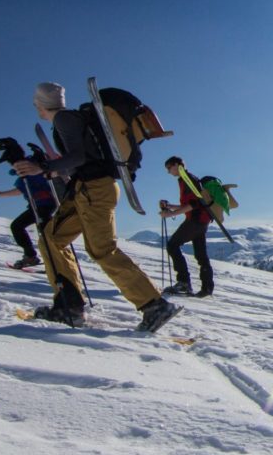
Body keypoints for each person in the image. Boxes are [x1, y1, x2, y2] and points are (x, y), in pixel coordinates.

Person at [13, 82, 178, 331]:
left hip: (94, 190)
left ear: (40, 104)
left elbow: (78, 157)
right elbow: (79, 161)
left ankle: (154, 304)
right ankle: (68, 306)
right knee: (51, 239)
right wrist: (46, 169)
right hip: (86, 190)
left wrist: (44, 168)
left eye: (36, 102)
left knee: (102, 249)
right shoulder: (71, 119)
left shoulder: (64, 119)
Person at [159, 156, 213, 297]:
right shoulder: (188, 178)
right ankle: (207, 288)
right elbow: (193, 203)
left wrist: (170, 214)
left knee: (172, 245)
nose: (169, 172)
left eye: (169, 168)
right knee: (201, 255)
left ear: (177, 165)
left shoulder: (187, 179)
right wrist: (170, 207)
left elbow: (193, 204)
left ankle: (184, 283)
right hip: (202, 220)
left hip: (195, 220)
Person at [0, 173, 57, 268]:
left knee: (39, 231)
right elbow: (21, 189)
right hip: (40, 206)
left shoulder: (29, 174)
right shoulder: (30, 173)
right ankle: (37, 257)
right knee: (42, 231)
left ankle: (51, 261)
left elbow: (20, 190)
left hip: (42, 206)